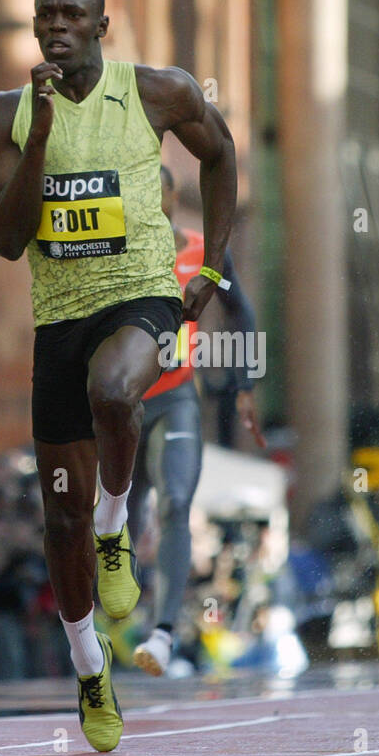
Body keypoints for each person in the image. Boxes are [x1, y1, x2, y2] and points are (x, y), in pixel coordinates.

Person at [0, 0, 237, 750]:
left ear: (101, 27)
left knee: (117, 390)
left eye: (71, 16)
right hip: (57, 315)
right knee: (59, 516)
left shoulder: (158, 92)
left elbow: (222, 156)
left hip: (141, 298)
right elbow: (4, 237)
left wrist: (213, 268)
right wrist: (42, 139)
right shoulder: (10, 114)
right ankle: (90, 665)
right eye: (44, 17)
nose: (55, 28)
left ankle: (118, 522)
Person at [127, 165, 264, 676]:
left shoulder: (201, 253)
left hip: (176, 396)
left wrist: (245, 385)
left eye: (154, 197)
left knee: (176, 502)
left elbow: (241, 312)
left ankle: (162, 633)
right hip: (123, 404)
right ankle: (103, 623)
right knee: (122, 511)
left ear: (171, 198)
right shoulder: (113, 252)